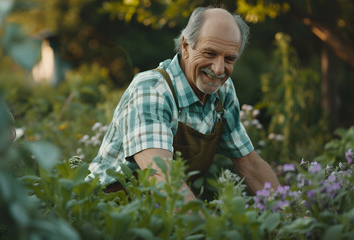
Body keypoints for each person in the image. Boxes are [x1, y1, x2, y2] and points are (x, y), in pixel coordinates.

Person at [86, 6, 279, 201]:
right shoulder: (152, 90)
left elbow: (250, 163)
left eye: (229, 58)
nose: (219, 69)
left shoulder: (223, 91)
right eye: (209, 53)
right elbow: (161, 176)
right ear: (186, 46)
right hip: (109, 208)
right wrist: (208, 229)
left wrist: (290, 212)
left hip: (163, 208)